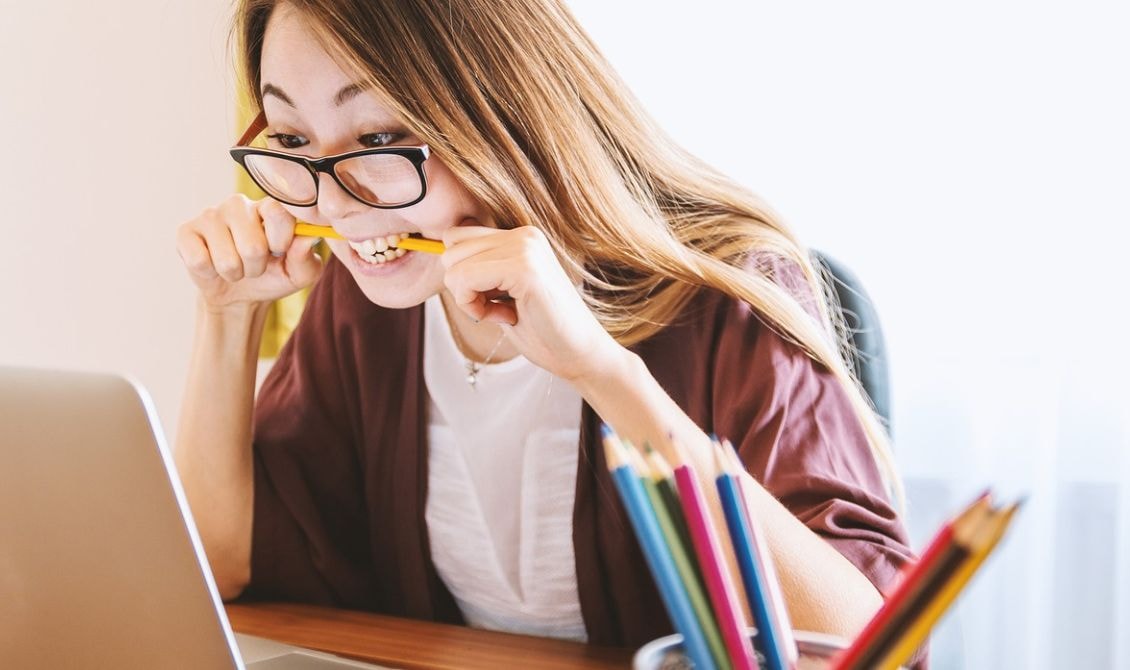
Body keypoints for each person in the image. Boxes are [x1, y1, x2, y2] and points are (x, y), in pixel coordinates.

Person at [174, 0, 917, 651]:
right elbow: (221, 564)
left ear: (500, 111)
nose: (334, 206)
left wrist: (602, 370)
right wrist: (228, 315)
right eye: (296, 142)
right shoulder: (368, 303)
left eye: (377, 139)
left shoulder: (727, 293)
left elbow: (866, 644)